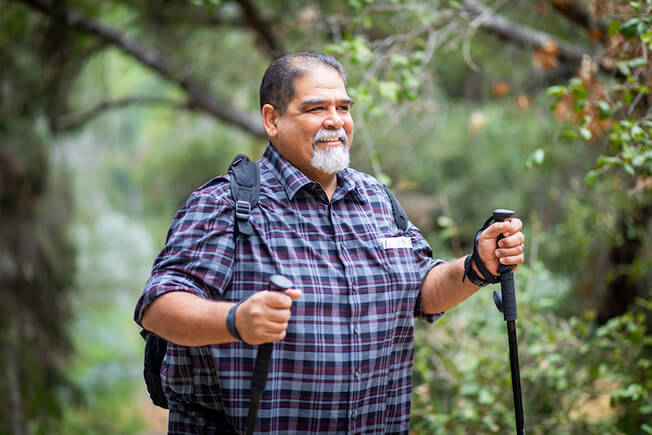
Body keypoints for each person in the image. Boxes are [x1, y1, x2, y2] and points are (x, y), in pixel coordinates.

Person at [134, 51, 525, 434]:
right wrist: (235, 321)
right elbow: (158, 306)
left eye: (344, 107)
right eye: (316, 109)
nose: (335, 121)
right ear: (272, 120)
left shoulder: (376, 200)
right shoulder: (228, 204)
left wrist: (477, 267)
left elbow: (422, 291)